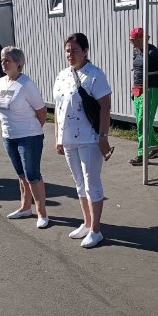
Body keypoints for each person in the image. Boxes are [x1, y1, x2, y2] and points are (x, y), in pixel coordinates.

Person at [53, 33, 113, 248]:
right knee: (79, 183)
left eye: (75, 50)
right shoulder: (62, 75)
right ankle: (87, 223)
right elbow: (58, 108)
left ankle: (96, 230)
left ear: (85, 51)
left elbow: (105, 106)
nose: (70, 54)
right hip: (68, 139)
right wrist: (58, 137)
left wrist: (103, 136)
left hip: (89, 139)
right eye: (67, 50)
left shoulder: (95, 75)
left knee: (91, 183)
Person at [0, 46, 49, 228]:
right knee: (21, 174)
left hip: (29, 136)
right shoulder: (2, 82)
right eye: (2, 60)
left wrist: (34, 129)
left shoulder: (26, 84)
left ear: (18, 63)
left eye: (7, 60)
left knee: (32, 175)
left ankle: (42, 213)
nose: (3, 63)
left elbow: (42, 111)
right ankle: (25, 207)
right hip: (8, 136)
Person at [128, 27, 158, 166]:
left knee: (143, 122)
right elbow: (137, 72)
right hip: (138, 90)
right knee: (142, 122)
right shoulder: (136, 51)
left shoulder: (152, 53)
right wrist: (133, 90)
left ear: (140, 39)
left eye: (132, 39)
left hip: (150, 90)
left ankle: (142, 154)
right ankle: (155, 148)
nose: (130, 42)